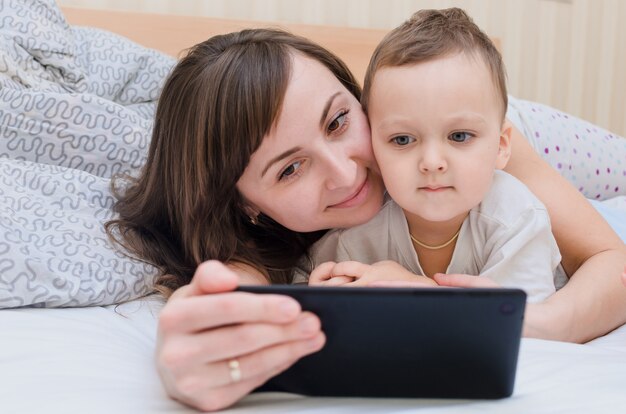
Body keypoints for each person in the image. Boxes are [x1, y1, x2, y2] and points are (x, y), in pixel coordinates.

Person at [105, 26, 626, 412]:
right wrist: (196, 345)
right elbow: (234, 288)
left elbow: (609, 259)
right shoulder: (255, 228)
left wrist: (540, 323)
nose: (346, 171)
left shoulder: (473, 143)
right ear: (248, 207)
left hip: (549, 142)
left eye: (338, 121)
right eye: (290, 169)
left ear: (358, 98)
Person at [305, 8, 567, 304]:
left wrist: (417, 287)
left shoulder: (517, 217)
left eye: (459, 136)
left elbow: (519, 325)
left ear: (502, 146)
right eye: (402, 139)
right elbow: (300, 283)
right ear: (373, 147)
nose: (431, 162)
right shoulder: (358, 230)